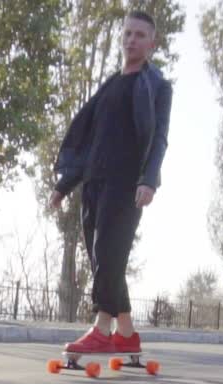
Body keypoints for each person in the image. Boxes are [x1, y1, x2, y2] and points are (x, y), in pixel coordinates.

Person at [49, 9, 173, 357]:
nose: (132, 40)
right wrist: (64, 185)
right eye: (128, 33)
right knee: (102, 258)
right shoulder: (109, 85)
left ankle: (102, 328)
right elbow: (90, 139)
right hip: (94, 181)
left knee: (108, 253)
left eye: (140, 35)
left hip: (126, 184)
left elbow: (159, 138)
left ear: (152, 44)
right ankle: (127, 334)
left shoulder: (157, 86)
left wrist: (149, 180)